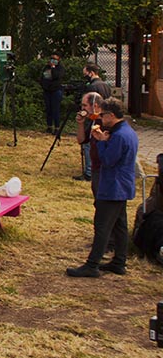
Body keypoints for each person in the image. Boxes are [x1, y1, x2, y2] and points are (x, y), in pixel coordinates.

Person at [67, 97, 138, 277]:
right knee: (120, 225)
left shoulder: (119, 136)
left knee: (103, 226)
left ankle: (92, 265)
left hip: (113, 186)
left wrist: (100, 141)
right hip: (123, 185)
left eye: (103, 115)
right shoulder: (128, 131)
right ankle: (119, 261)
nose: (101, 118)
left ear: (111, 115)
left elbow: (107, 160)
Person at [74, 90, 104, 183]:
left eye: (85, 105)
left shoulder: (105, 122)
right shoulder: (93, 120)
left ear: (95, 106)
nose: (82, 109)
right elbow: (81, 140)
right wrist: (80, 124)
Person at [39, 52, 65, 134]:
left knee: (55, 110)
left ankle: (57, 127)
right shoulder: (46, 67)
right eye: (52, 59)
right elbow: (43, 77)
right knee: (48, 109)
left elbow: (56, 76)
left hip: (56, 91)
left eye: (55, 59)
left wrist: (53, 68)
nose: (53, 61)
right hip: (47, 91)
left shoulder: (60, 68)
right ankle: (49, 126)